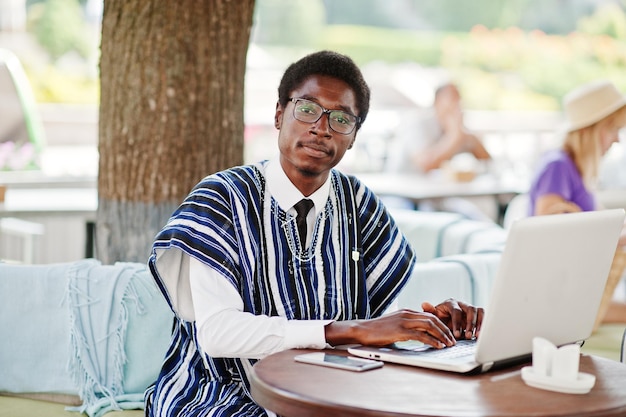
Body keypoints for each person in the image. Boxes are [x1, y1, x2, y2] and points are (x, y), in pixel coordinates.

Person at [144, 51, 484, 416]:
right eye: (307, 109)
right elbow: (217, 333)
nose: (321, 128)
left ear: (353, 137)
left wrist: (431, 321)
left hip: (328, 388)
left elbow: (377, 318)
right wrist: (342, 331)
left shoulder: (359, 204)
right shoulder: (222, 198)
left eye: (340, 119)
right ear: (279, 115)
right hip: (222, 391)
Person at [528, 79, 626, 325]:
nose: (617, 140)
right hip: (562, 297)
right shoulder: (558, 167)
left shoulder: (574, 169)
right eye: (613, 129)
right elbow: (551, 239)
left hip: (580, 291)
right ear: (588, 130)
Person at [384, 82, 493, 220]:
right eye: (451, 99)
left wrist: (467, 136)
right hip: (402, 196)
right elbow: (426, 163)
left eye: (459, 100)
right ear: (437, 102)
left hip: (433, 198)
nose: (456, 105)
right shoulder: (419, 123)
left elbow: (487, 160)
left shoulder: (455, 128)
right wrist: (455, 136)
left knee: (475, 218)